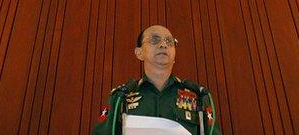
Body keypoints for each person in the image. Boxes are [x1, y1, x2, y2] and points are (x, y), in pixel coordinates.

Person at [91, 25, 221, 135]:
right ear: (139, 53)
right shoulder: (121, 97)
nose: (164, 44)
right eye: (154, 40)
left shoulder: (198, 96)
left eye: (169, 41)